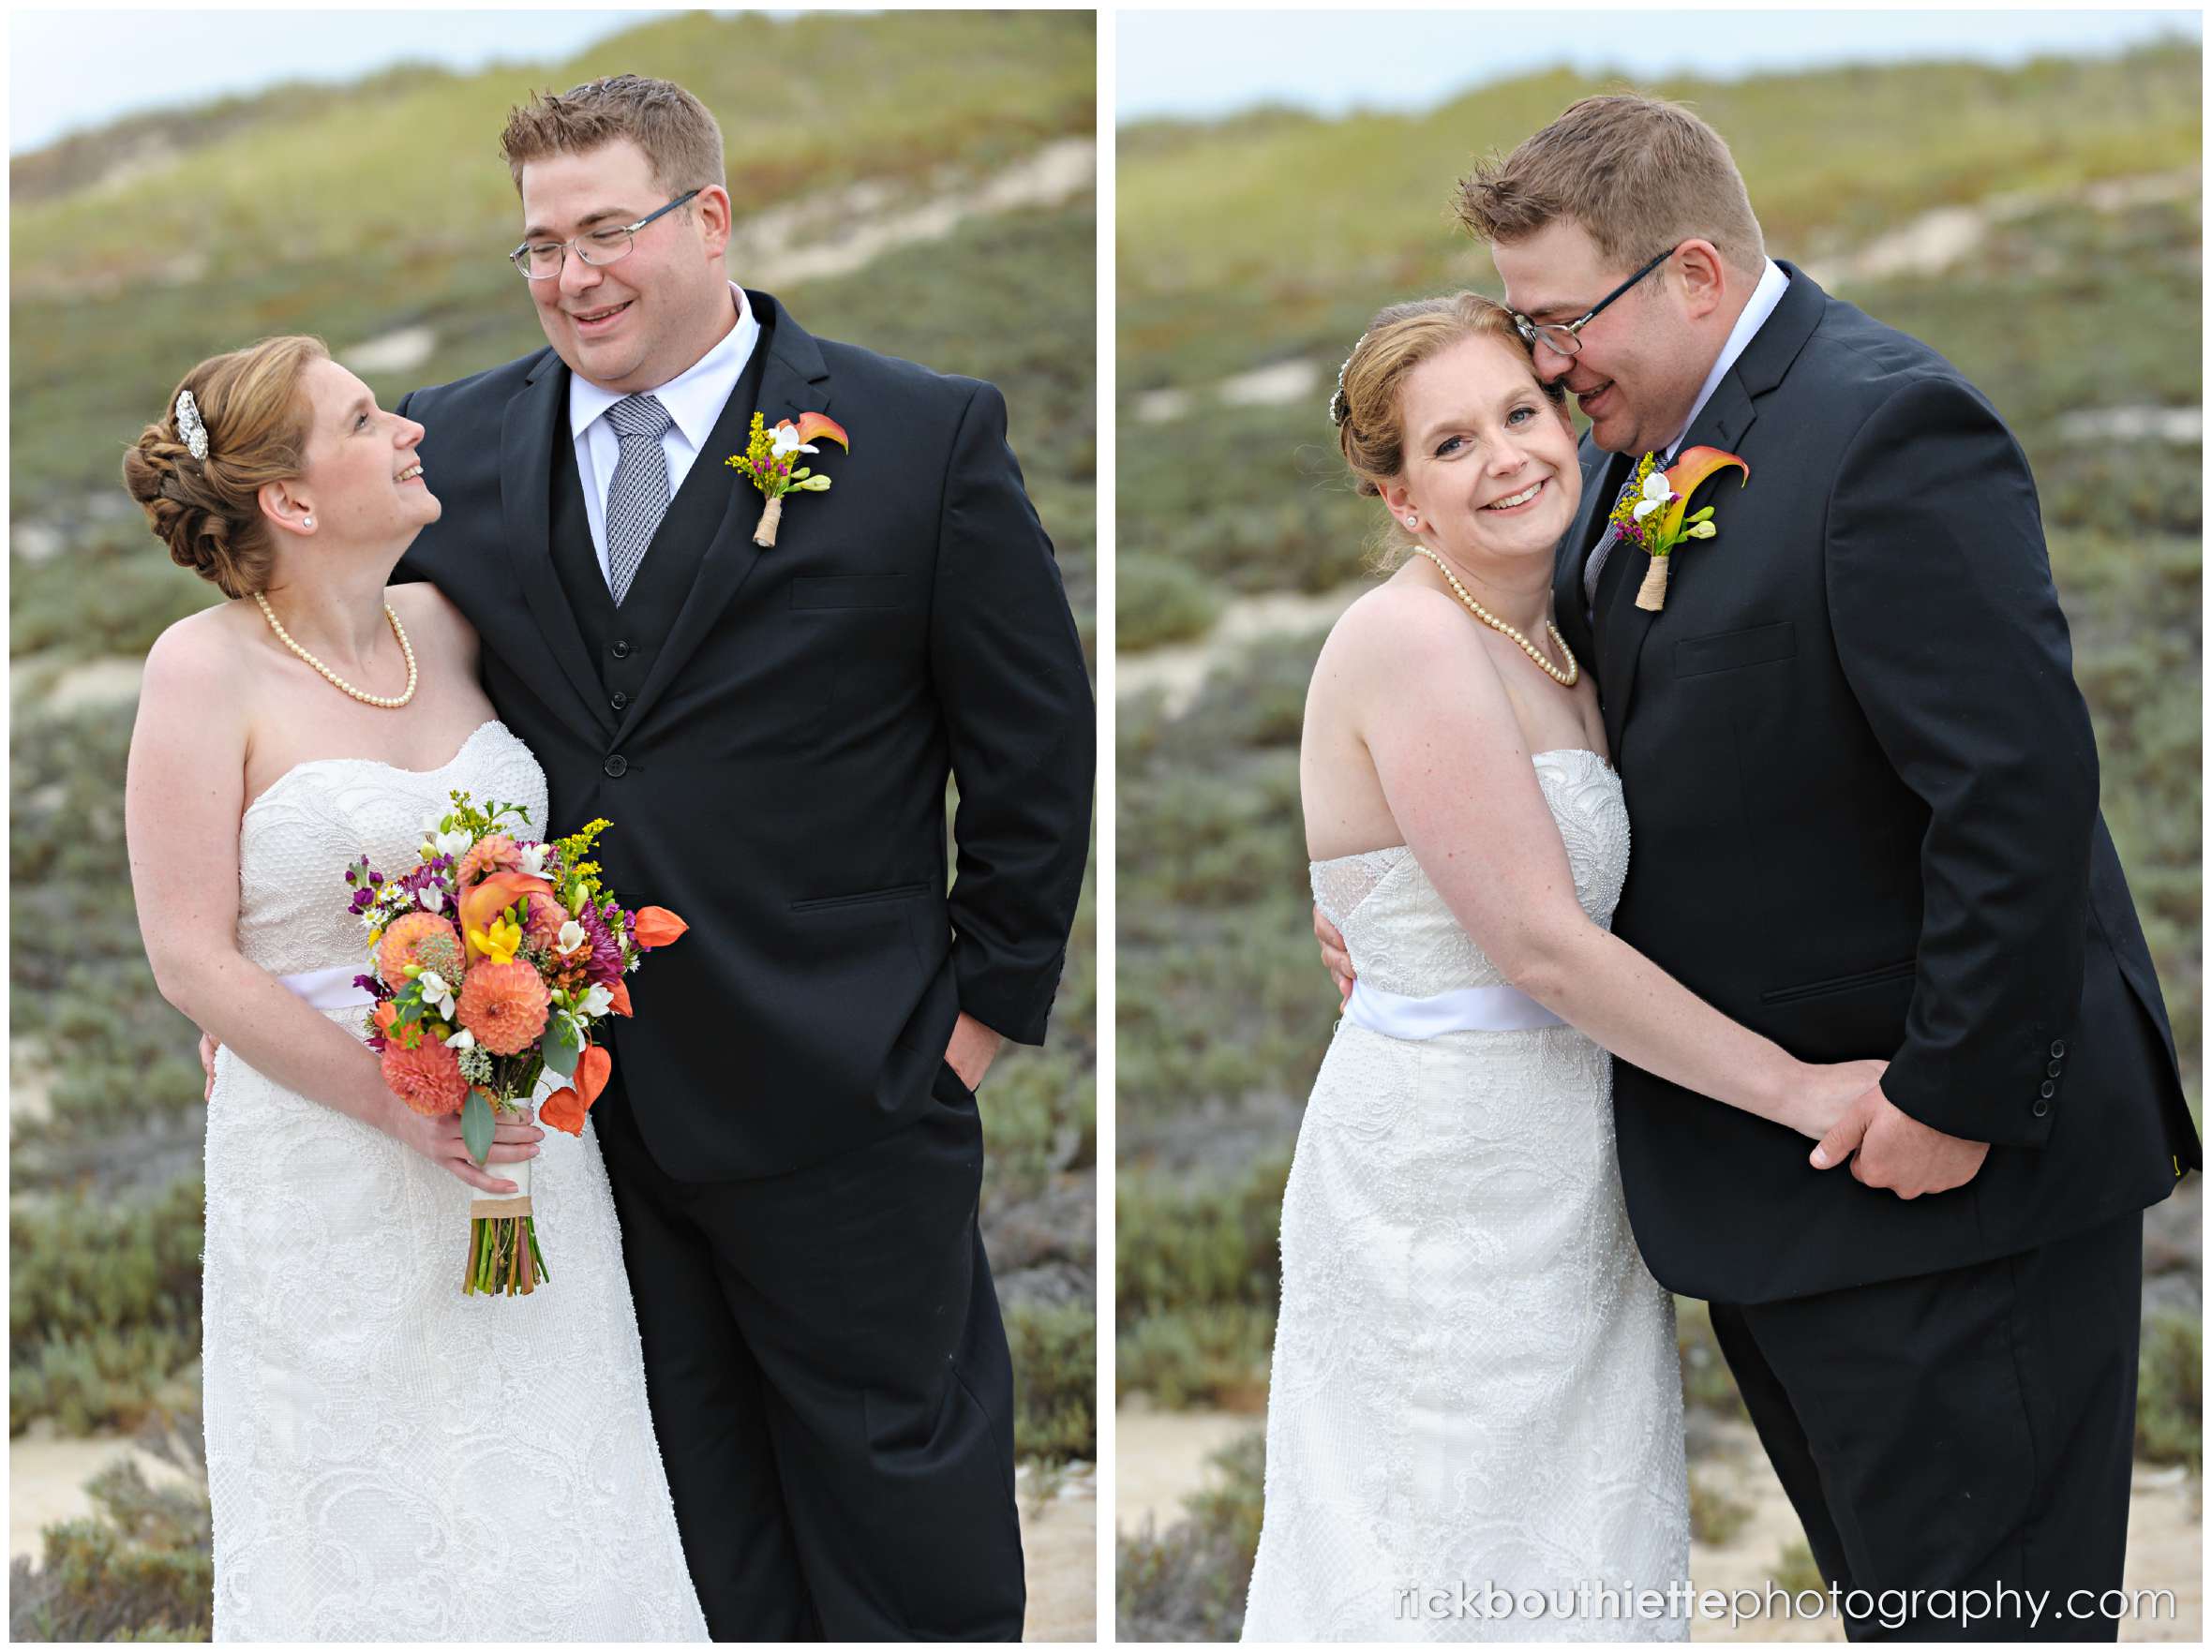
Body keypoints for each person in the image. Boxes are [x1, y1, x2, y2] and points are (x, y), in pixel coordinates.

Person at [1316, 95, 2200, 1639]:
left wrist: (1950, 1097)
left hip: (1945, 1178)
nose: (1543, 365)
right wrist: (1400, 920)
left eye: (1559, 323)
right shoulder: (1645, 462)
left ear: (1697, 276)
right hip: (1778, 1194)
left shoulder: (1880, 429)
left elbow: (2017, 791)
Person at [388, 75, 1093, 1639]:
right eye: (540, 245)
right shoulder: (448, 442)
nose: (573, 277)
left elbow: (1034, 746)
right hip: (574, 1105)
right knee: (680, 1514)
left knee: (902, 1498)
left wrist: (974, 1025)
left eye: (607, 231)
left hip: (852, 1077)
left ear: (708, 219)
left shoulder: (920, 435)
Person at [1243, 292, 1884, 1642]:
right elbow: (1538, 942)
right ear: (1401, 498)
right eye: (1453, 445)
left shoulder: (1573, 616)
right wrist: (1805, 1093)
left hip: (1577, 1172)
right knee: (1444, 1539)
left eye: (1522, 415)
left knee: (1583, 1536)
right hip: (1447, 1182)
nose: (1509, 458)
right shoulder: (1409, 641)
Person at [124, 336, 709, 1640]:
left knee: (559, 1482)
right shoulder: (199, 670)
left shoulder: (452, 625)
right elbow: (189, 953)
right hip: (326, 1160)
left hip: (528, 1142)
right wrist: (397, 1108)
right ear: (290, 499)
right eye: (362, 418)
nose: (409, 430)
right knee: (372, 1513)